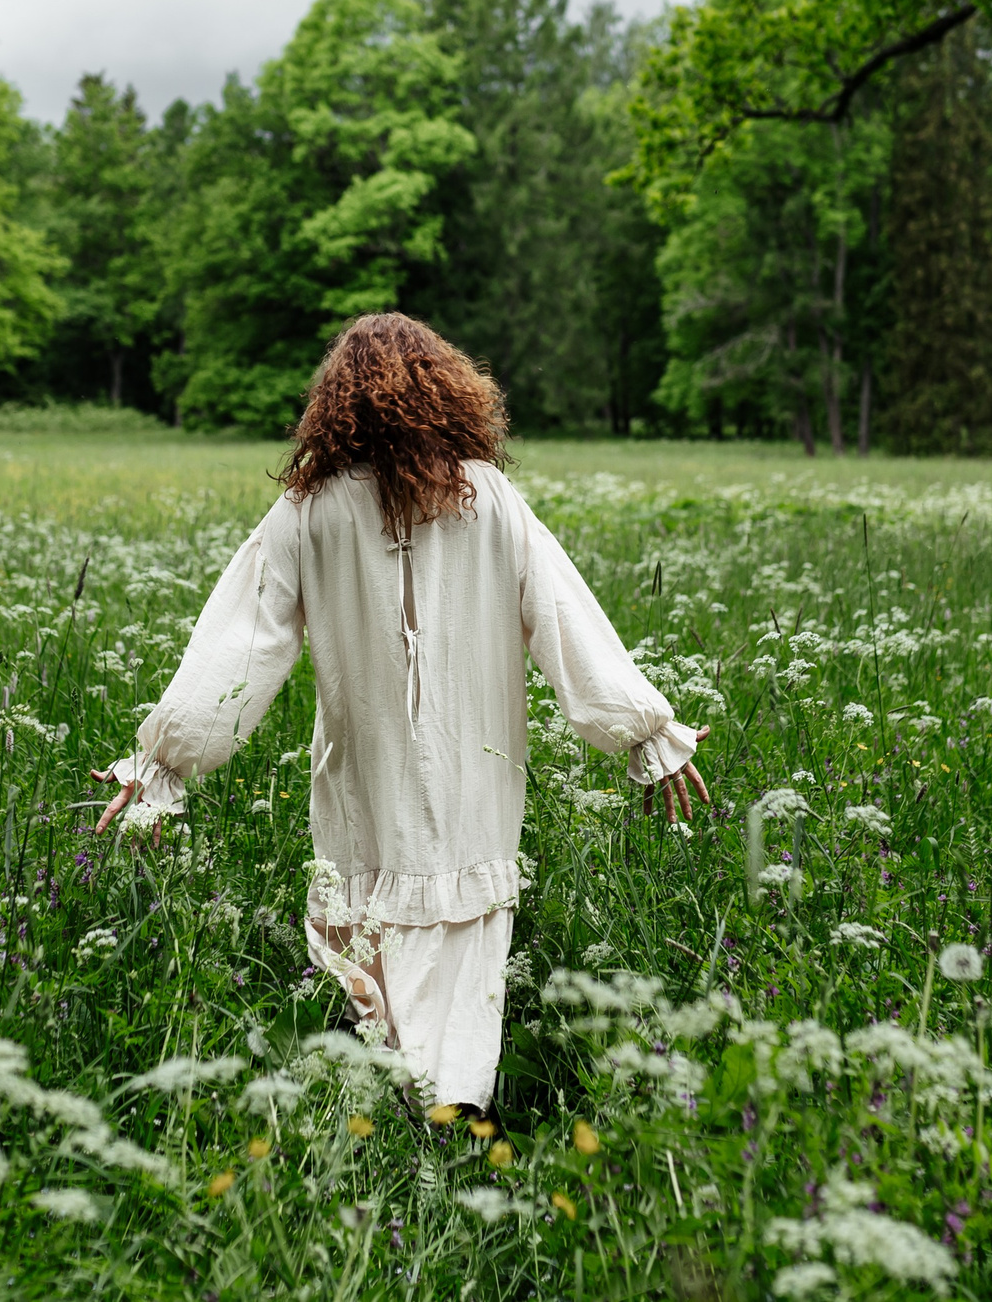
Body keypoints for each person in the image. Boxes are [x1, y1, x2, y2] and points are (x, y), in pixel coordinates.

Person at [90, 312, 712, 1109]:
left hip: (371, 789)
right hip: (468, 789)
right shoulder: (486, 497)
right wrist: (647, 734)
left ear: (336, 404)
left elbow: (236, 651)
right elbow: (565, 620)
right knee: (461, 958)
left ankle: (413, 1118)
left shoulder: (311, 511)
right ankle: (442, 1118)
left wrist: (163, 764)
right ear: (446, 390)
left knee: (379, 945)